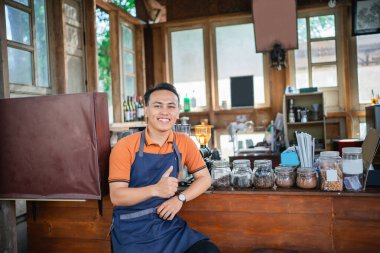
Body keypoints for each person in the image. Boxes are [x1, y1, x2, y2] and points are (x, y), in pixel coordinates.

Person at [109, 83, 220, 253]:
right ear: (146, 110)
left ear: (178, 112)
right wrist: (155, 189)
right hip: (131, 229)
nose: (164, 112)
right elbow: (117, 196)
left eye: (171, 106)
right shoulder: (125, 146)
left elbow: (205, 178)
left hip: (167, 225)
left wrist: (180, 199)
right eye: (157, 106)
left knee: (208, 250)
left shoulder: (184, 142)